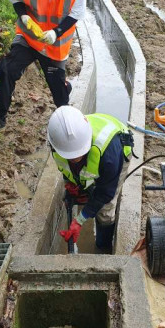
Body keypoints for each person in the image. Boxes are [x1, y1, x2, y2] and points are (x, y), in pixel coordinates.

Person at [0, 0, 85, 134]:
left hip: (54, 45)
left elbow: (77, 12)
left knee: (59, 94)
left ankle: (65, 124)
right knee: (7, 69)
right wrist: (23, 15)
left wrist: (56, 32)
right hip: (29, 38)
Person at [47, 106, 136, 250]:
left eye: (78, 154)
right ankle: (88, 195)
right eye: (70, 155)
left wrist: (81, 219)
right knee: (86, 188)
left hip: (120, 147)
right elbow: (65, 167)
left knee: (106, 210)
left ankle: (103, 246)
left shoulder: (109, 155)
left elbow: (106, 192)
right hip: (97, 147)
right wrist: (72, 183)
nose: (74, 158)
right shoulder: (59, 141)